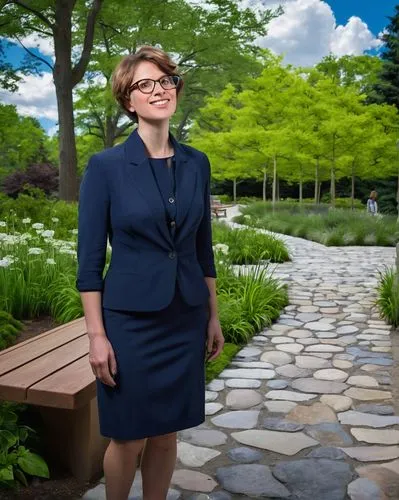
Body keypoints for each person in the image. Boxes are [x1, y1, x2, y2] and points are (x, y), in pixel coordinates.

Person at [76, 45, 224, 500]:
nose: (159, 91)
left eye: (166, 81)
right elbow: (88, 263)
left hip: (185, 316)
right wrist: (97, 336)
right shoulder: (105, 168)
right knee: (128, 435)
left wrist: (212, 315)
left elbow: (203, 250)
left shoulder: (197, 162)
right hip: (130, 323)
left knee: (166, 433)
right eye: (146, 84)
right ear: (128, 100)